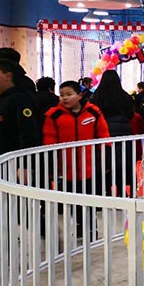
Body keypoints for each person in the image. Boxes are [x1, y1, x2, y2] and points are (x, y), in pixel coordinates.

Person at [43, 80, 110, 240]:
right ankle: (79, 226)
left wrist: (105, 160)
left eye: (69, 94)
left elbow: (104, 136)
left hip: (90, 168)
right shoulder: (53, 115)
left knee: (90, 199)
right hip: (66, 170)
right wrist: (52, 168)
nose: (65, 98)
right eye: (62, 95)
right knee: (73, 201)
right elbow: (49, 142)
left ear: (79, 95)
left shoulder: (94, 112)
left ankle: (91, 228)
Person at [90, 70, 144, 196]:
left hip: (103, 132)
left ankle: (106, 191)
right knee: (125, 163)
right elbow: (131, 114)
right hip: (124, 132)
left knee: (106, 163)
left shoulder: (96, 97)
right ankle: (123, 191)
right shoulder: (125, 96)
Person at [0, 59, 41, 163]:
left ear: (8, 76)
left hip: (13, 163)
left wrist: (25, 164)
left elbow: (28, 133)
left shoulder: (20, 100)